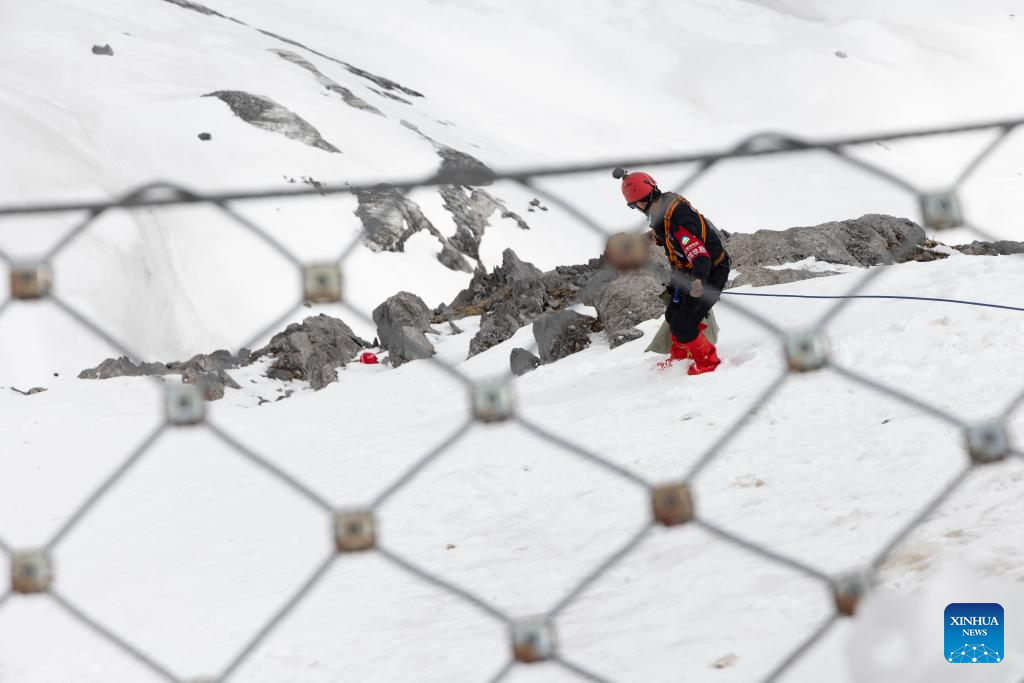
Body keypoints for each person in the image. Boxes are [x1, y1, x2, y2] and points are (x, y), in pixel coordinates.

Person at [613, 167, 730, 375]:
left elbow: (700, 255)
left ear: (646, 199)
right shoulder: (662, 210)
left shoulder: (679, 220)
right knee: (672, 314)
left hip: (709, 272)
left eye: (637, 204)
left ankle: (708, 362)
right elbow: (662, 238)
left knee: (684, 326)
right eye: (633, 206)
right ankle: (680, 358)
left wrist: (698, 281)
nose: (638, 208)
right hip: (687, 272)